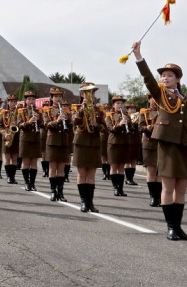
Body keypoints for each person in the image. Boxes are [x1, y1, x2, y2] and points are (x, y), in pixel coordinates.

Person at [132, 41, 187, 241]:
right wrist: (138, 56)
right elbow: (147, 79)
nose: (165, 78)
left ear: (178, 79)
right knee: (168, 187)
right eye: (163, 75)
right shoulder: (160, 95)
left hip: (186, 147)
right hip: (168, 146)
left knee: (181, 189)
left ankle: (178, 228)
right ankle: (170, 227)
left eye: (169, 75)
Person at [71, 83, 104, 213]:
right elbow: (74, 121)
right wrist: (82, 108)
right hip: (81, 142)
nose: (90, 96)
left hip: (94, 142)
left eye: (91, 93)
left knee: (91, 174)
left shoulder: (98, 110)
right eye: (86, 93)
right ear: (82, 94)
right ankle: (83, 202)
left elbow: (104, 127)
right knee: (81, 173)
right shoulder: (76, 108)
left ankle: (90, 202)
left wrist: (96, 125)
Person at [44, 88, 71, 200]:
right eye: (55, 96)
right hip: (52, 141)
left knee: (61, 168)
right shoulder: (47, 110)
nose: (58, 98)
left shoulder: (66, 110)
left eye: (60, 96)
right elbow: (47, 124)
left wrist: (68, 118)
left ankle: (60, 192)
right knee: (52, 167)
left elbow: (72, 124)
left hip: (63, 141)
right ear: (51, 98)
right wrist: (58, 120)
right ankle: (52, 191)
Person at [105, 96, 132, 197]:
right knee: (114, 166)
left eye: (121, 103)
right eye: (118, 103)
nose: (120, 105)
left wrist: (129, 124)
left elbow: (132, 130)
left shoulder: (126, 115)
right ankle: (115, 188)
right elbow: (111, 129)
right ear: (113, 105)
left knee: (121, 167)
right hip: (113, 144)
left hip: (124, 143)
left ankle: (120, 188)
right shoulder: (109, 116)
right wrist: (120, 124)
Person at [137, 94, 161, 207]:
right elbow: (141, 127)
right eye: (153, 98)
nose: (155, 101)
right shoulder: (144, 112)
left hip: (161, 144)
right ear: (149, 99)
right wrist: (150, 127)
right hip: (149, 143)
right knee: (151, 170)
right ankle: (153, 197)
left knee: (160, 171)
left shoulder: (164, 111)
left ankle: (159, 196)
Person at [16, 91, 42, 190]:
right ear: (25, 100)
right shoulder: (21, 111)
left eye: (33, 99)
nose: (31, 101)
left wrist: (38, 120)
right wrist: (28, 122)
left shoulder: (38, 111)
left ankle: (32, 183)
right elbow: (19, 125)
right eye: (29, 99)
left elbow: (42, 125)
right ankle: (26, 182)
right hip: (25, 139)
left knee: (34, 162)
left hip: (35, 138)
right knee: (26, 161)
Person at [0, 94, 20, 184]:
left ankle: (13, 176)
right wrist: (4, 133)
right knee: (7, 158)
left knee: (14, 158)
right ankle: (8, 176)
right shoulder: (4, 113)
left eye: (14, 101)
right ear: (8, 102)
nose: (13, 103)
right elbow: (0, 125)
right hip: (7, 137)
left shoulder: (19, 112)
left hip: (16, 136)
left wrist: (17, 123)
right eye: (11, 101)